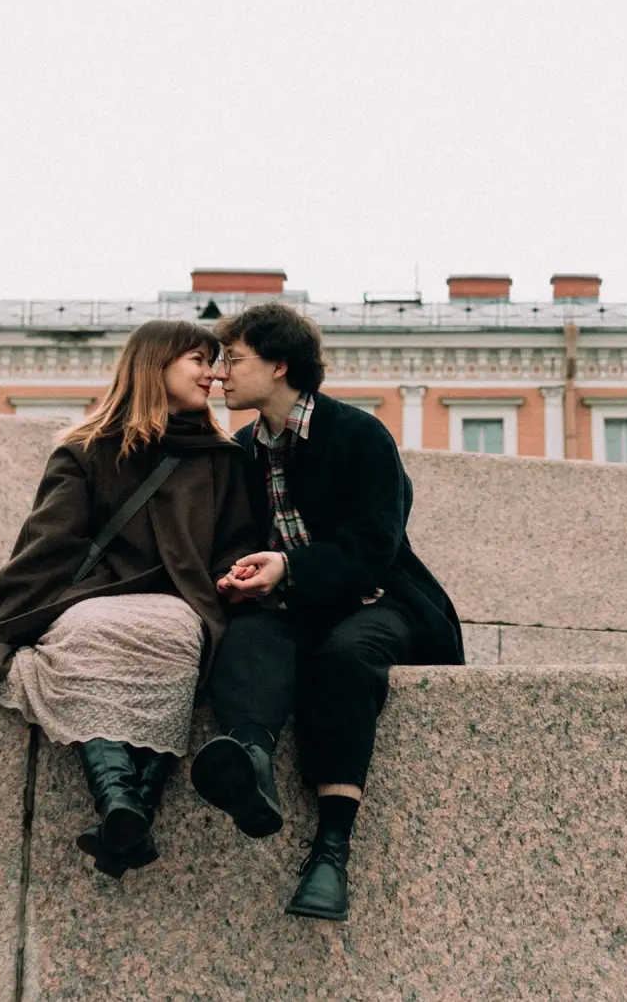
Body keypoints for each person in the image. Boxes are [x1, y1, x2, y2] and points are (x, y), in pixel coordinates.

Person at [0, 319, 262, 879]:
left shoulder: (226, 458)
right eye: (198, 360)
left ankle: (122, 808)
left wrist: (230, 579)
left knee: (170, 633)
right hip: (94, 598)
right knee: (89, 629)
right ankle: (123, 804)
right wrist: (3, 620)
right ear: (155, 364)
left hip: (181, 602)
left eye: (216, 362)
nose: (213, 374)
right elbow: (49, 544)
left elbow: (236, 542)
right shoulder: (87, 451)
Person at [187, 301, 464, 922]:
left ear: (280, 366)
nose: (220, 375)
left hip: (385, 599)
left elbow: (375, 543)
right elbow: (237, 537)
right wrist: (242, 576)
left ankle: (331, 852)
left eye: (233, 360)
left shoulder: (360, 435)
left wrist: (293, 567)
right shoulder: (243, 448)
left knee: (346, 657)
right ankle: (250, 760)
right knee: (252, 637)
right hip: (295, 605)